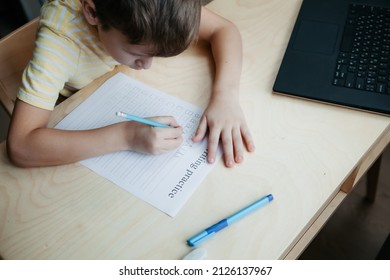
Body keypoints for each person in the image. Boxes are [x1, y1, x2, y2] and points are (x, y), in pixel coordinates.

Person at [7, 0, 255, 168]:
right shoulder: (59, 43)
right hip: (72, 101)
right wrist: (126, 136)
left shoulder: (158, 7)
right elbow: (21, 146)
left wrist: (226, 96)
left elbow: (224, 29)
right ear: (92, 13)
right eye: (138, 54)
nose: (147, 65)